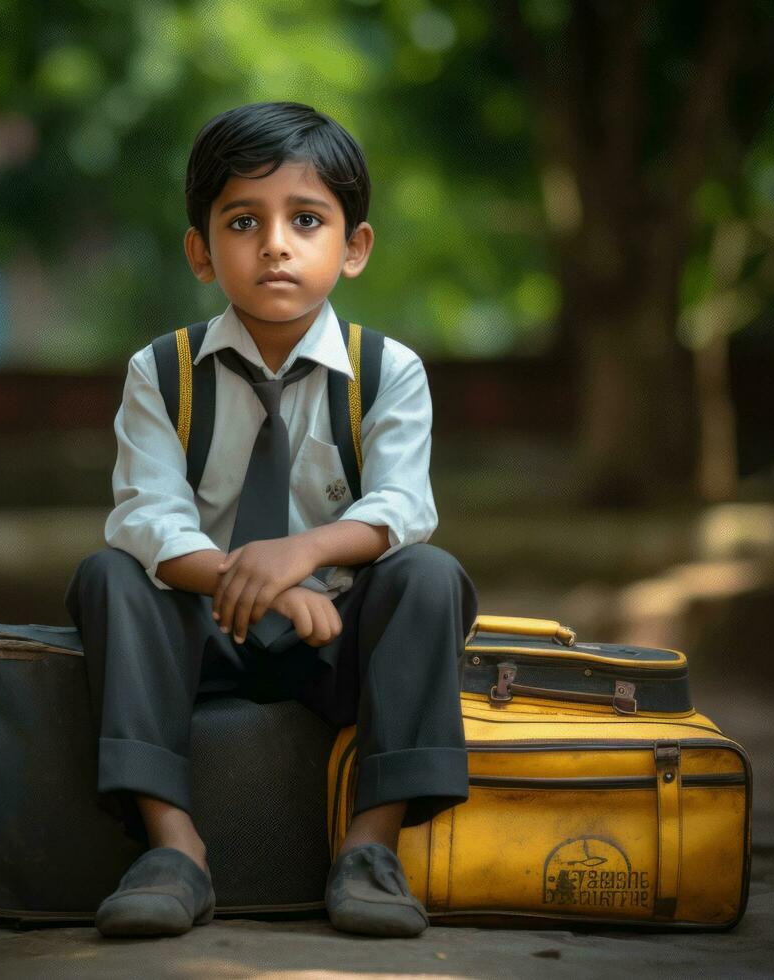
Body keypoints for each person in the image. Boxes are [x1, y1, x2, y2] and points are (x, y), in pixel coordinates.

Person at [64, 101, 478, 939]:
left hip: (337, 638)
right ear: (200, 250)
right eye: (243, 221)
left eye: (307, 219)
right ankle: (175, 851)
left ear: (353, 247)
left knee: (429, 575)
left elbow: (402, 507)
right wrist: (263, 585)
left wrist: (303, 555)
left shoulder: (386, 370)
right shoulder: (162, 370)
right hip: (203, 631)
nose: (275, 244)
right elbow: (148, 517)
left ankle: (369, 850)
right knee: (107, 573)